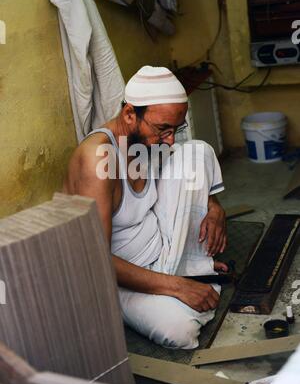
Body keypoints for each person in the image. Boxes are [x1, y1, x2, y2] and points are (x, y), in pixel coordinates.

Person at [64, 66, 227, 349]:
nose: (170, 139)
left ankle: (186, 268)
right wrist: (179, 286)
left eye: (176, 129)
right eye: (163, 129)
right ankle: (183, 279)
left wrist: (214, 207)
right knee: (179, 331)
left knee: (196, 152)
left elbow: (188, 163)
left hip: (159, 253)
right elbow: (95, 259)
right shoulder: (98, 159)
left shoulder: (142, 141)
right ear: (130, 114)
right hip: (115, 279)